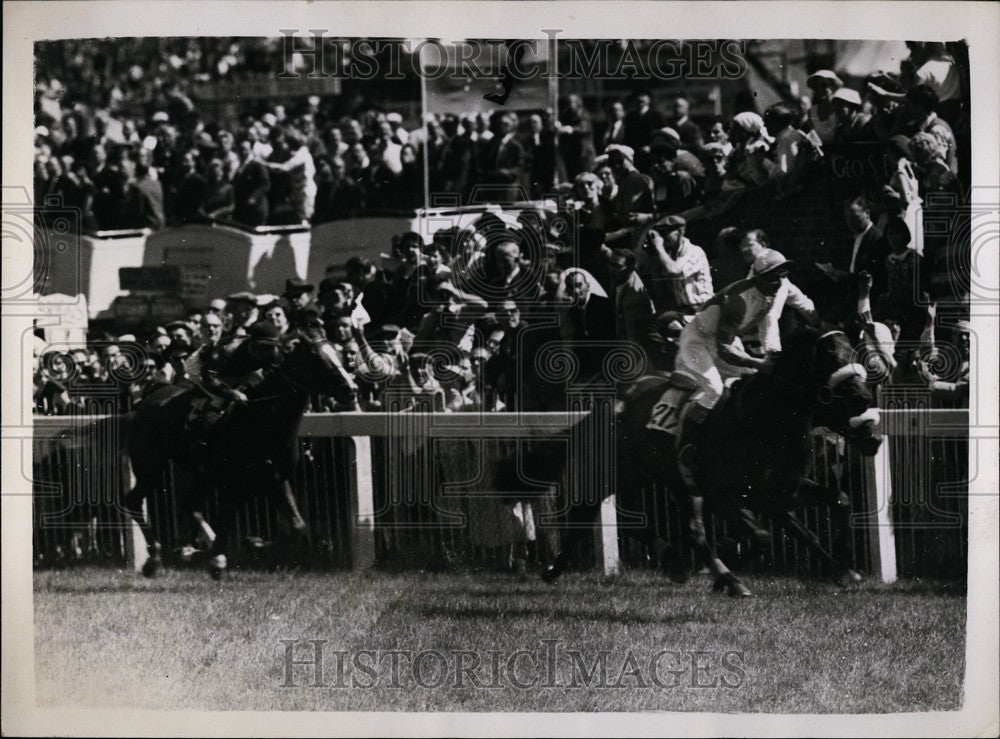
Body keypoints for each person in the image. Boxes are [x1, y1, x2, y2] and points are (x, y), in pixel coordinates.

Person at [673, 249, 795, 433]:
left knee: (752, 379)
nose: (779, 282)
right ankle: (686, 439)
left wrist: (773, 355)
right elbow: (724, 350)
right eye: (773, 277)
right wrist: (759, 363)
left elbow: (768, 324)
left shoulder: (771, 291)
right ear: (757, 278)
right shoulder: (738, 300)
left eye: (782, 275)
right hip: (697, 340)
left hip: (724, 340)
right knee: (714, 389)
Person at [636, 216, 713, 323]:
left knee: (658, 323)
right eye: (660, 234)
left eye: (665, 233)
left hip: (702, 309)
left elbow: (674, 270)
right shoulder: (669, 255)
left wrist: (659, 247)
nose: (662, 238)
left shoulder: (694, 251)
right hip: (684, 312)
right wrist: (652, 254)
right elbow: (658, 286)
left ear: (680, 232)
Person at [232, 139, 270, 227]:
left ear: (250, 150)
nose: (242, 152)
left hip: (256, 208)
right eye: (240, 149)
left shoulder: (257, 165)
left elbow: (265, 184)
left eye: (245, 149)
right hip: (242, 209)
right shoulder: (239, 166)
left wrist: (253, 197)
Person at [805, 69, 842, 145]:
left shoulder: (840, 110)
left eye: (824, 85)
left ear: (833, 87)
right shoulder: (811, 112)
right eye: (816, 86)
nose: (819, 89)